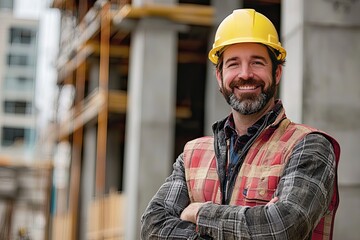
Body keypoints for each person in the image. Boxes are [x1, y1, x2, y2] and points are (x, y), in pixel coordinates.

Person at [140, 8, 340, 240]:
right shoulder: (192, 156)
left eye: (257, 63)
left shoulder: (309, 147)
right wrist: (254, 224)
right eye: (233, 64)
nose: (245, 74)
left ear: (277, 73)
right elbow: (152, 226)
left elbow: (281, 229)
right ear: (219, 76)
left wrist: (199, 212)